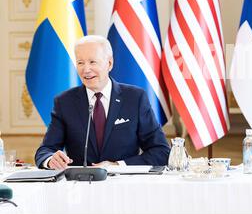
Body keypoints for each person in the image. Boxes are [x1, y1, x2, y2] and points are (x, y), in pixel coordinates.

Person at [35, 35, 170, 169]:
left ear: (109, 63)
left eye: (92, 62)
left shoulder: (135, 98)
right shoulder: (64, 102)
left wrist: (117, 166)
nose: (86, 70)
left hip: (124, 185)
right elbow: (45, 151)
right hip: (80, 185)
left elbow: (161, 151)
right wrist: (51, 160)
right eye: (80, 62)